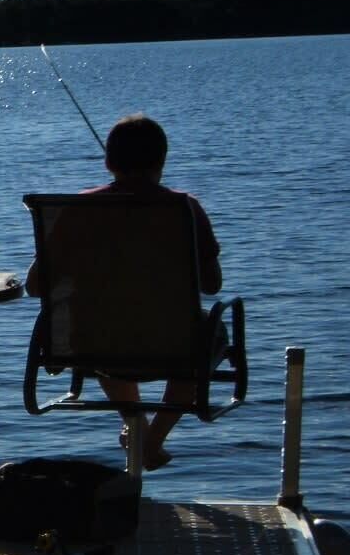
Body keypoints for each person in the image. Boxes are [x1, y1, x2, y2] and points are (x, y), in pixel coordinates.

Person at [23, 112, 223, 467]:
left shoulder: (77, 209)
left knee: (101, 328)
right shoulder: (186, 208)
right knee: (208, 331)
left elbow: (36, 286)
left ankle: (136, 425)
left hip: (93, 345)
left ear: (109, 161)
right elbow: (212, 284)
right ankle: (152, 439)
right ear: (162, 160)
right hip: (172, 344)